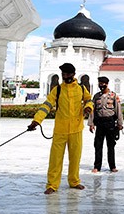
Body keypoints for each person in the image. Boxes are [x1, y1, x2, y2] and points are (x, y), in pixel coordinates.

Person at [28, 63, 92, 194]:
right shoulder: (57, 89)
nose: (65, 76)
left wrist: (88, 107)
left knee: (75, 158)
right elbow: (47, 105)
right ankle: (52, 184)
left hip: (76, 128)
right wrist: (37, 120)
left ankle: (74, 181)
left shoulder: (81, 88)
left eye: (68, 74)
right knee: (55, 159)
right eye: (63, 74)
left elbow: (88, 99)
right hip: (60, 130)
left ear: (74, 74)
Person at [88, 76, 123, 173]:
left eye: (103, 84)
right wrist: (91, 124)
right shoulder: (96, 96)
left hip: (110, 123)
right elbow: (92, 111)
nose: (101, 86)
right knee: (98, 145)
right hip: (100, 123)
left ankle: (112, 166)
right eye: (100, 84)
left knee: (111, 145)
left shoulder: (113, 96)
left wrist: (120, 123)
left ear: (107, 84)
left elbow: (118, 110)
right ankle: (97, 166)